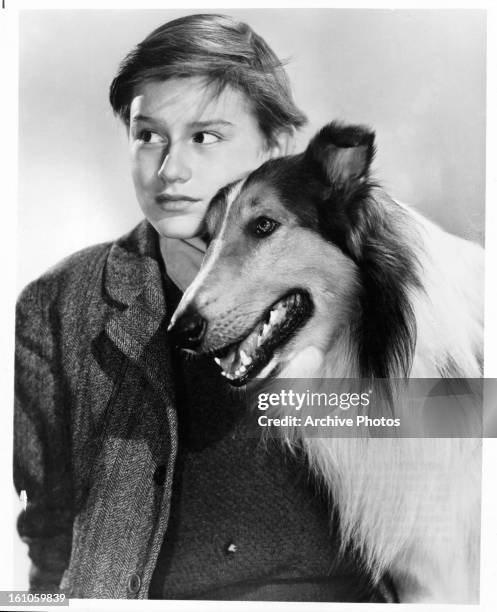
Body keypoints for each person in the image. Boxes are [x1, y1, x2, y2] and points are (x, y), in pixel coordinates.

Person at [14, 13, 394, 602]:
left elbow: (458, 468)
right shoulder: (56, 306)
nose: (171, 170)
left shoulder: (365, 285)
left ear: (275, 147)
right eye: (148, 136)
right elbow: (45, 538)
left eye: (205, 136)